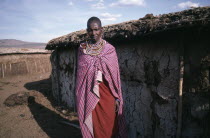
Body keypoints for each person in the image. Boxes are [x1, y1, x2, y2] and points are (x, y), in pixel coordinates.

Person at [75, 17, 127, 138]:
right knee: (96, 127)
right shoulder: (82, 50)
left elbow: (115, 78)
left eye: (96, 29)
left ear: (101, 30)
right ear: (87, 31)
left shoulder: (109, 50)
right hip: (89, 95)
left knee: (110, 125)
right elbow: (80, 78)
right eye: (90, 30)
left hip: (107, 96)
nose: (93, 33)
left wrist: (117, 97)